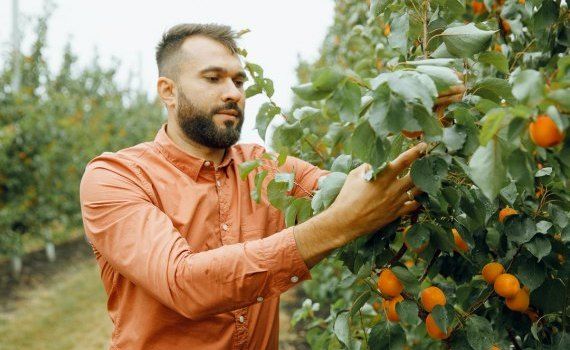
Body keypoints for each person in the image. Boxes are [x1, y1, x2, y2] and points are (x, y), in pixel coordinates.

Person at [79, 23, 464, 349]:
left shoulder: (265, 168)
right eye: (213, 78)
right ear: (168, 91)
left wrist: (417, 119)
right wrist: (339, 226)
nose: (233, 92)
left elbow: (360, 193)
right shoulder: (116, 177)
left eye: (238, 80)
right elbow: (184, 284)